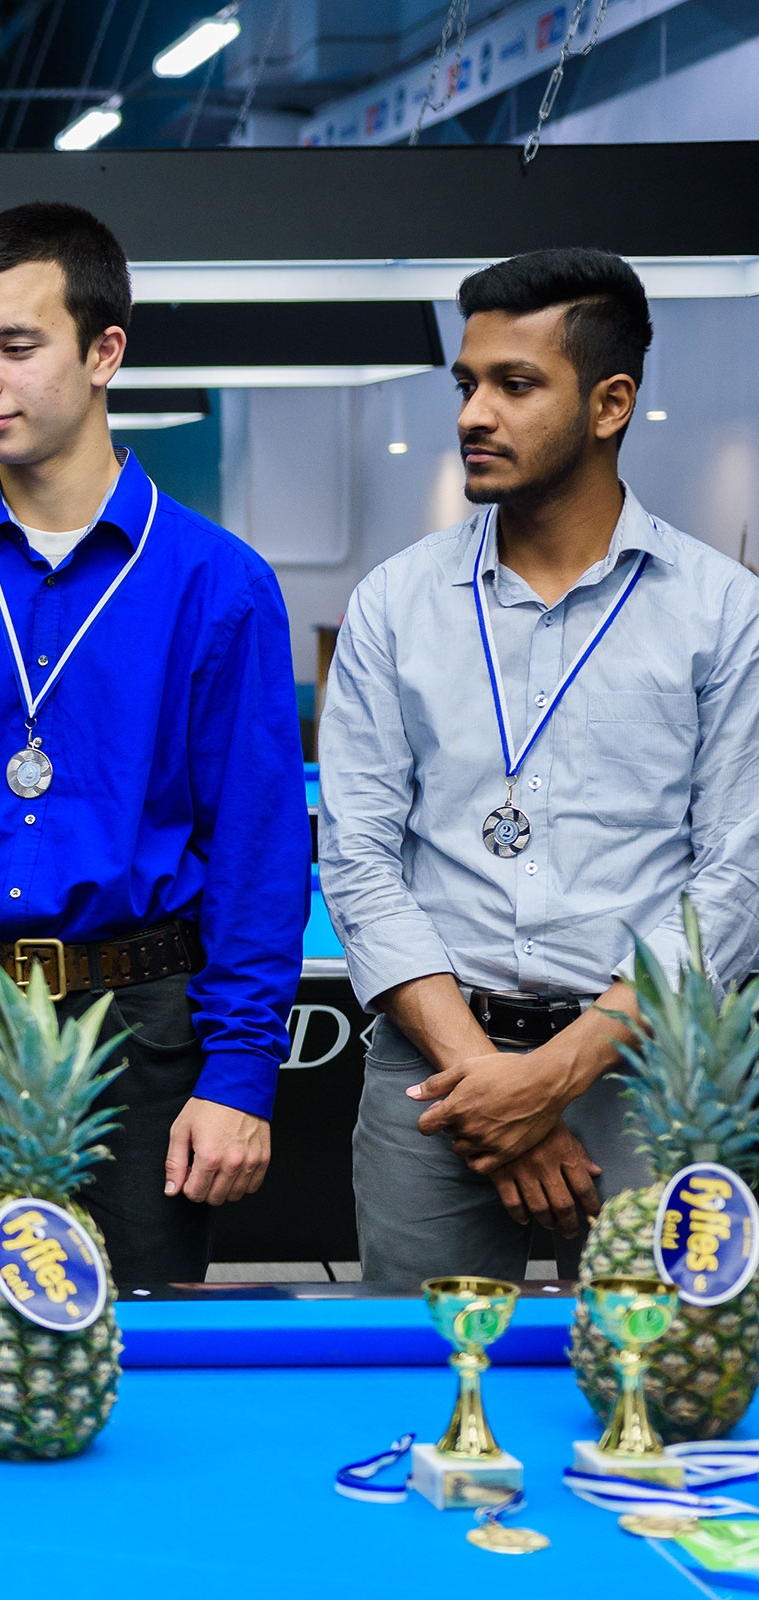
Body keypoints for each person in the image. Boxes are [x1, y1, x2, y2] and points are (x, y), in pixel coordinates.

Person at [0, 202, 309, 1287]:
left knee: (139, 1357)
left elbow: (260, 852)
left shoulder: (219, 585)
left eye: (15, 347)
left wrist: (239, 1074)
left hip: (147, 1038)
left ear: (104, 352)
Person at [319, 248, 759, 1284]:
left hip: (650, 1075)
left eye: (515, 385)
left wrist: (555, 1075)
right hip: (436, 1073)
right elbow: (358, 859)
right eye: (467, 384)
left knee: (659, 1367)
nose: (474, 414)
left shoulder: (721, 612)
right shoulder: (395, 602)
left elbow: (736, 877)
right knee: (425, 1366)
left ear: (611, 404)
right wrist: (492, 1082)